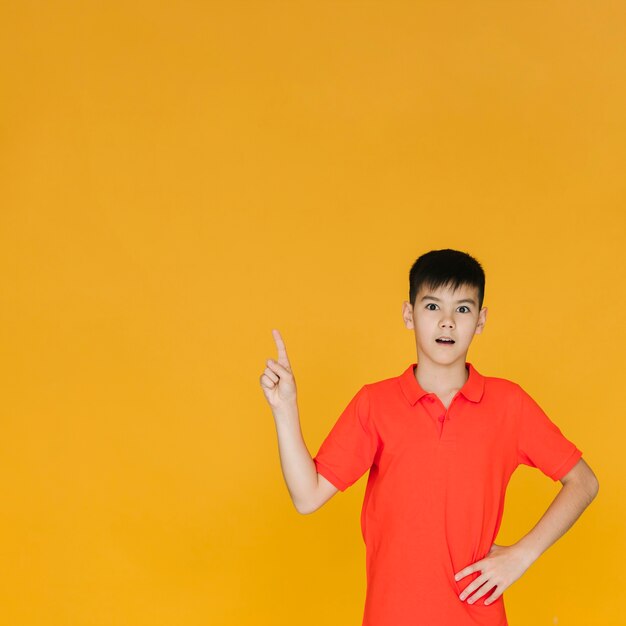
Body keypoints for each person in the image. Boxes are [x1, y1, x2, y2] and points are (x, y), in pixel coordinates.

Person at [259, 248, 599, 626]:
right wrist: (284, 408)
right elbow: (307, 497)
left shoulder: (508, 404)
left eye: (463, 310)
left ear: (481, 320)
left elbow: (583, 481)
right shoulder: (376, 404)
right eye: (433, 307)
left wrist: (522, 555)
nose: (448, 323)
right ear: (409, 314)